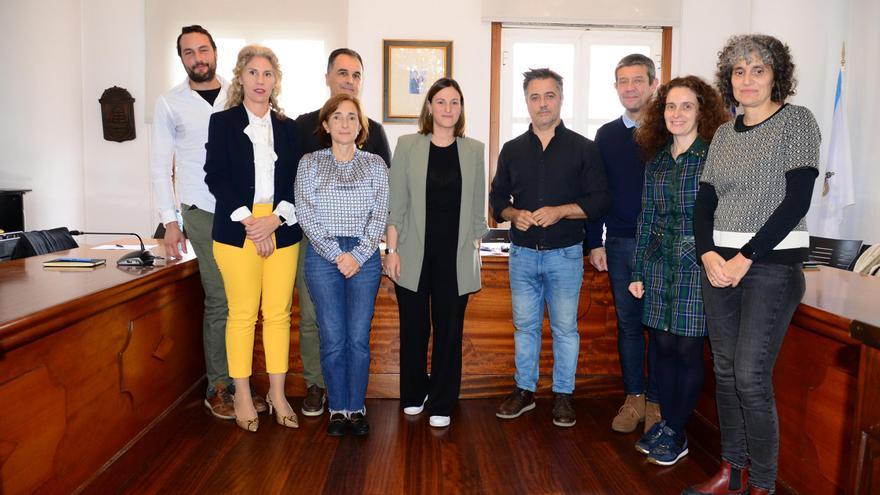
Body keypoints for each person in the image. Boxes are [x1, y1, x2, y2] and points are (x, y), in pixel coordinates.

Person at [684, 35, 820, 495]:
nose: (747, 79)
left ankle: (762, 485)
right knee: (723, 371)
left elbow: (796, 200)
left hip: (770, 268)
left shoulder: (797, 122)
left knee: (749, 375)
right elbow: (705, 204)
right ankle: (731, 472)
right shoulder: (723, 132)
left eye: (758, 70)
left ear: (776, 76)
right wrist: (707, 253)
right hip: (717, 266)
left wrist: (746, 257)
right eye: (739, 71)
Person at [150, 25, 267, 419]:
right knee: (221, 299)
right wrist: (169, 221)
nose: (198, 57)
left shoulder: (242, 96)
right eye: (188, 52)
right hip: (202, 212)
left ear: (215, 52)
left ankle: (245, 384)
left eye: (203, 49)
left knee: (248, 300)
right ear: (181, 59)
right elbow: (158, 166)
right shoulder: (170, 103)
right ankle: (219, 386)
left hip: (250, 214)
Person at [489, 68, 611, 427]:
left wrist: (561, 211)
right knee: (525, 328)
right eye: (535, 97)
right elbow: (497, 199)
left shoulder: (584, 149)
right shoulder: (511, 150)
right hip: (522, 253)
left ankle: (562, 396)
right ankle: (524, 391)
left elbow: (600, 199)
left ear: (561, 98)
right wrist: (514, 214)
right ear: (526, 101)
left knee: (564, 329)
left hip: (565, 255)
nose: (542, 103)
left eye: (549, 95)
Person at [628, 76, 729, 466]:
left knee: (687, 350)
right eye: (670, 106)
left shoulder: (713, 159)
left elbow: (721, 219)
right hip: (657, 267)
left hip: (696, 267)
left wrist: (707, 256)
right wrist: (638, 270)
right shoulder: (655, 162)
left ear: (702, 112)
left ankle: (676, 430)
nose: (677, 113)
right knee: (663, 348)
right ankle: (668, 424)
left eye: (686, 106)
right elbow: (646, 218)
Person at [204, 45, 303, 432]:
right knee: (242, 314)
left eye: (267, 74)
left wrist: (274, 221)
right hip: (236, 229)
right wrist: (251, 223)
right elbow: (216, 177)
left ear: (275, 80)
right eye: (253, 73)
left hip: (281, 225)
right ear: (240, 78)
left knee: (278, 313)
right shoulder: (223, 123)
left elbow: (297, 179)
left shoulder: (290, 127)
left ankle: (277, 394)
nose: (260, 81)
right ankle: (243, 394)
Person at [293, 48, 392, 417]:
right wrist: (336, 253)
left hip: (363, 255)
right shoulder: (309, 156)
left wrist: (359, 253)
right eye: (338, 117)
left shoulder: (376, 159)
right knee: (329, 335)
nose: (345, 123)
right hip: (321, 253)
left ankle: (356, 408)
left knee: (357, 339)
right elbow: (304, 209)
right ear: (327, 123)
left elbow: (380, 211)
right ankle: (336, 407)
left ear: (361, 125)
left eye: (352, 117)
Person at [385, 78, 488, 428]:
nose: (448, 108)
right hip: (412, 253)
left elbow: (478, 211)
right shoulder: (408, 145)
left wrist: (475, 246)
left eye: (455, 102)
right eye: (441, 101)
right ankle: (414, 393)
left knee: (449, 331)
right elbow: (395, 205)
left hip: (455, 256)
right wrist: (392, 250)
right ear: (429, 107)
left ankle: (443, 399)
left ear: (461, 109)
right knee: (414, 329)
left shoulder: (474, 149)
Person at [586, 53, 662, 434]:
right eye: (623, 81)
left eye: (637, 80)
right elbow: (598, 193)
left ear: (653, 83)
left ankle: (659, 404)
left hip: (664, 247)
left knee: (663, 328)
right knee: (629, 326)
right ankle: (635, 398)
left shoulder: (672, 129)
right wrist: (594, 241)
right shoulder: (606, 135)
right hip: (620, 243)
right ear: (616, 87)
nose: (630, 87)